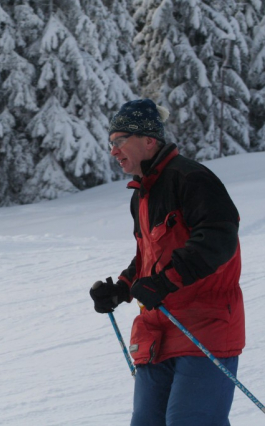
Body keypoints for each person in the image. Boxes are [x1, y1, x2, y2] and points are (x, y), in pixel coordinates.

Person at [89, 99, 245, 426]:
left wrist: (165, 281)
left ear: (149, 140)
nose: (113, 150)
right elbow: (148, 256)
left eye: (120, 141)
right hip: (158, 329)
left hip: (205, 325)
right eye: (110, 143)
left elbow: (219, 238)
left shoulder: (191, 178)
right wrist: (122, 288)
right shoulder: (142, 193)